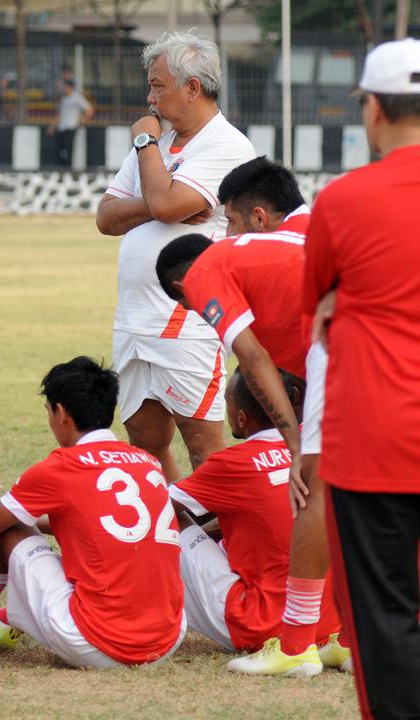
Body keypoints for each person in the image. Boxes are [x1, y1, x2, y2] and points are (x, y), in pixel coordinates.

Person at [155, 157, 346, 675]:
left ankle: (294, 648)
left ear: (180, 285)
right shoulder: (293, 234)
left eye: (232, 222)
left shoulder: (206, 272)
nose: (229, 233)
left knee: (315, 486)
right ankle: (348, 640)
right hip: (387, 336)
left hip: (347, 346)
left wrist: (293, 445)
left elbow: (254, 357)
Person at [303, 38, 420, 717]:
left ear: (372, 110)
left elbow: (313, 309)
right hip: (373, 446)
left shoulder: (343, 200)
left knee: (383, 621)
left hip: (373, 444)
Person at [95, 31, 256, 482]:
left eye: (158, 85)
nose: (149, 98)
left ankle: (227, 548)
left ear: (192, 87)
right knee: (145, 442)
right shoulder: (159, 143)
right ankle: (174, 542)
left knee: (203, 443)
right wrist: (160, 194)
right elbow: (106, 218)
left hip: (186, 316)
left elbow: (164, 206)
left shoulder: (226, 145)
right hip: (134, 317)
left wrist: (148, 156)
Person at [0, 357, 185, 668]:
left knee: (8, 530)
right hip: (167, 640)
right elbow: (102, 523)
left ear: (61, 413)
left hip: (101, 643)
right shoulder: (145, 461)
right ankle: (5, 619)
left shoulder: (61, 467)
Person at [169, 372, 346, 670]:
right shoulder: (322, 446)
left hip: (261, 623)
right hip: (332, 620)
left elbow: (156, 507)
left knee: (173, 522)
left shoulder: (233, 462)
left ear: (240, 418)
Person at [47, 79, 94, 168]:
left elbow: (89, 109)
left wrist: (83, 121)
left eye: (66, 87)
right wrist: (52, 126)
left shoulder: (76, 97)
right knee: (59, 149)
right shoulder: (64, 99)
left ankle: (67, 169)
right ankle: (60, 168)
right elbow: (60, 114)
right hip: (62, 127)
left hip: (71, 127)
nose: (65, 89)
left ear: (71, 87)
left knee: (68, 149)